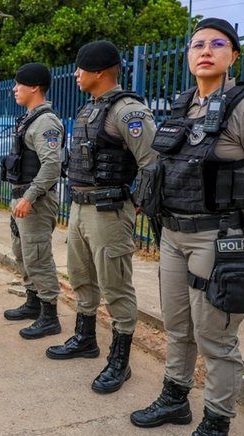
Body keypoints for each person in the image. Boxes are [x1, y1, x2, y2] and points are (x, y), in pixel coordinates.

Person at [129, 18, 244, 436]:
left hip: (217, 239)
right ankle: (174, 397)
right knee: (178, 326)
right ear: (188, 56)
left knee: (216, 338)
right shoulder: (183, 105)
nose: (206, 50)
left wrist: (243, 230)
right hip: (173, 235)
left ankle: (216, 428)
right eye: (197, 44)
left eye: (217, 44)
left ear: (233, 55)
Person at [45, 40, 157, 395]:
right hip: (79, 208)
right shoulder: (89, 109)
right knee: (80, 277)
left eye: (80, 68)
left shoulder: (128, 112)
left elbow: (153, 165)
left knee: (115, 285)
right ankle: (85, 338)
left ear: (98, 72)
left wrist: (134, 203)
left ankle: (120, 361)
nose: (76, 75)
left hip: (109, 211)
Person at [1, 62, 65, 340]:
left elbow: (52, 166)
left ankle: (49, 317)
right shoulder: (29, 118)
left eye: (19, 84)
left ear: (35, 87)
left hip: (35, 201)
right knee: (23, 252)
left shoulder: (46, 122)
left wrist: (28, 197)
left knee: (38, 257)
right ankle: (33, 303)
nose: (14, 89)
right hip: (22, 198)